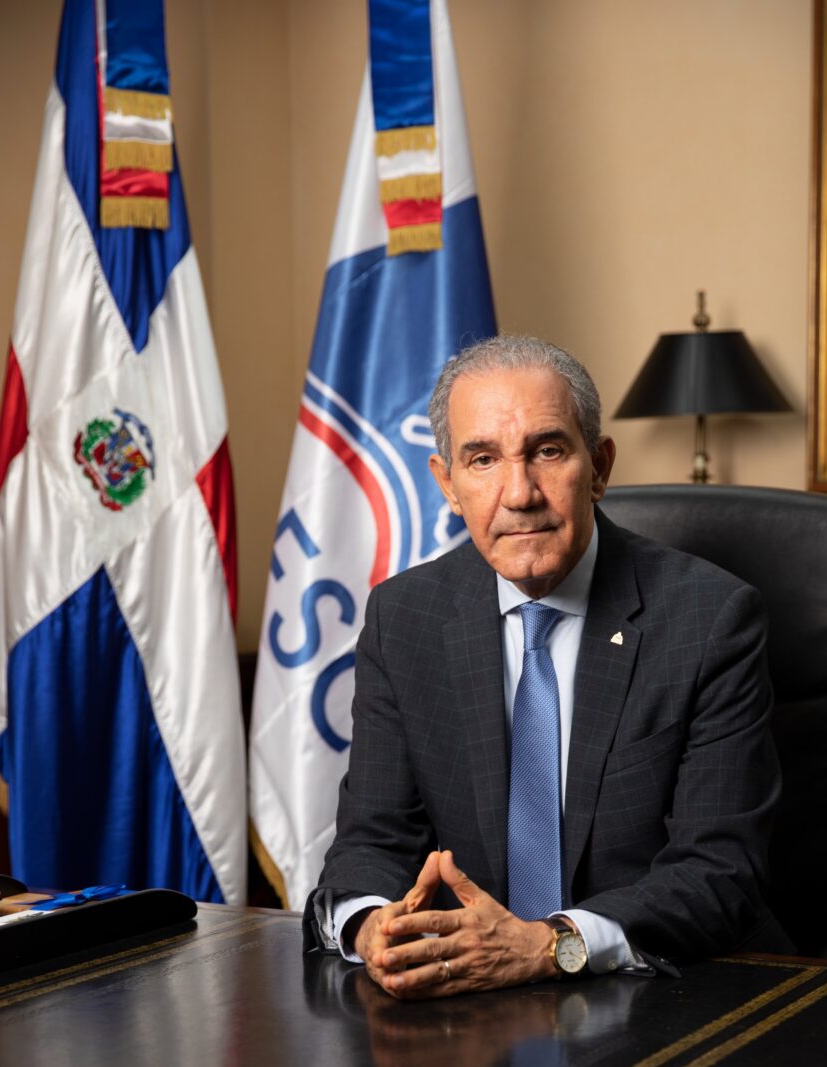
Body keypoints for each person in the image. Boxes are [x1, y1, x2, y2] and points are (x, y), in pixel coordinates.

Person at [303, 334, 791, 990]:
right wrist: (371, 927)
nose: (519, 493)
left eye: (548, 451)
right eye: (482, 459)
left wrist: (546, 946)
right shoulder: (405, 619)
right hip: (472, 998)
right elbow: (373, 840)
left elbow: (720, 873)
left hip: (668, 991)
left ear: (600, 467)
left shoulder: (710, 619)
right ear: (448, 485)